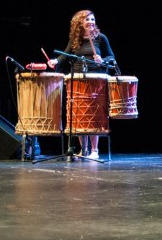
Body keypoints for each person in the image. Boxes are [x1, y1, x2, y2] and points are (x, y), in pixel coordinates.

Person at [46, 9, 116, 160]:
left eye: (93, 19)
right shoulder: (75, 39)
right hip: (77, 80)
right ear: (79, 23)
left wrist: (102, 60)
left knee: (93, 114)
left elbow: (111, 57)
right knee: (79, 113)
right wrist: (55, 61)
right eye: (87, 19)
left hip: (95, 80)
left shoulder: (100, 38)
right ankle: (83, 150)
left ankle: (95, 150)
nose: (91, 22)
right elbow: (65, 55)